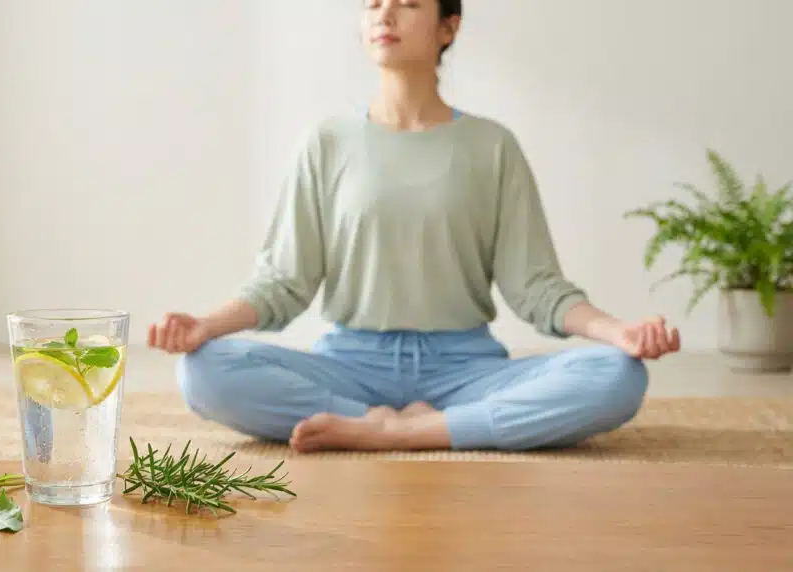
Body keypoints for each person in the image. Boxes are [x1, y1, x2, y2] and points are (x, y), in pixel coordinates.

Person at [147, 0, 681, 453]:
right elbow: (284, 281)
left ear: (449, 27)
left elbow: (537, 287)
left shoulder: (492, 146)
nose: (386, 14)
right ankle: (387, 420)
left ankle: (402, 433)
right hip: (351, 368)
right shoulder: (326, 143)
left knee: (618, 377)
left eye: (408, 1)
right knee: (203, 372)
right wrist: (205, 327)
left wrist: (620, 332)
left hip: (466, 370)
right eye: (373, 2)